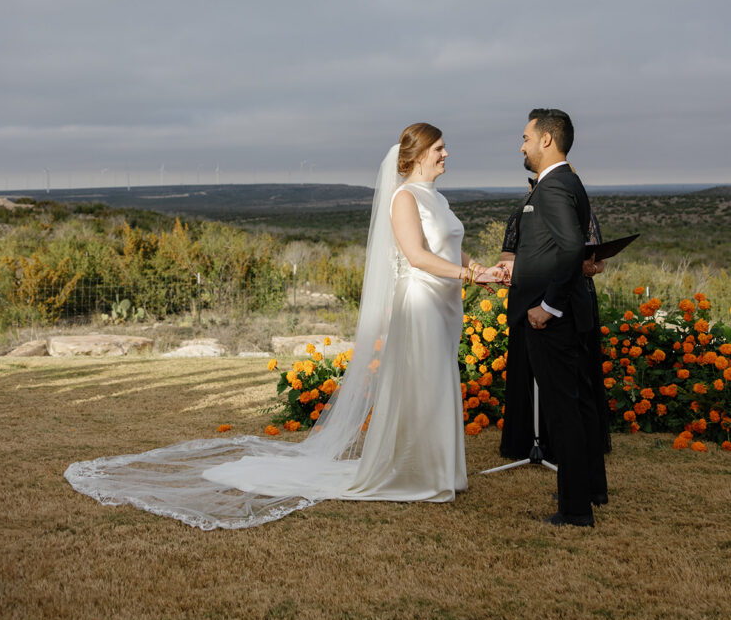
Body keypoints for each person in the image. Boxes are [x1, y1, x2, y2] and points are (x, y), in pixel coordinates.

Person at [65, 123, 505, 529]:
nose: (446, 154)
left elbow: (449, 248)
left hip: (444, 302)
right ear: (418, 154)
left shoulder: (437, 198)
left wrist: (480, 269)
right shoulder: (404, 197)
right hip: (420, 303)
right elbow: (416, 255)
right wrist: (469, 275)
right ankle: (416, 473)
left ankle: (438, 470)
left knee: (437, 381)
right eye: (439, 148)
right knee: (422, 384)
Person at [500, 109, 607, 528]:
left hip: (553, 320)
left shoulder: (553, 186)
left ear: (546, 140)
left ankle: (575, 509)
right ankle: (590, 488)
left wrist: (548, 306)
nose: (521, 146)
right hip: (569, 313)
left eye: (526, 138)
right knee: (579, 405)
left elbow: (570, 249)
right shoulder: (569, 182)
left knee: (564, 410)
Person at [498, 194, 611, 461]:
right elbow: (508, 254)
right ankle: (528, 440)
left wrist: (591, 268)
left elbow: (600, 262)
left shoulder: (584, 217)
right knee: (529, 368)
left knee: (576, 371)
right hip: (533, 297)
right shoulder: (521, 214)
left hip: (575, 298)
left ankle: (575, 444)